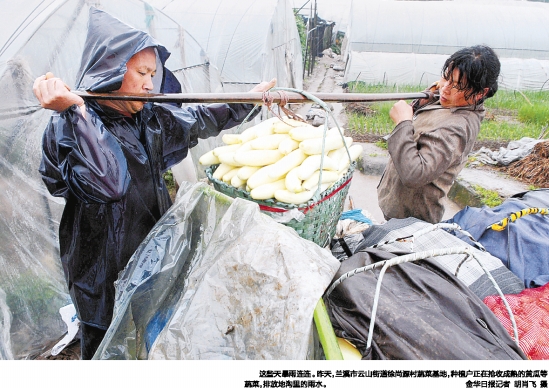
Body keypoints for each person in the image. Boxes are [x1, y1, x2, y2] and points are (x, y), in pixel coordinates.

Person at [33, 8, 275, 359]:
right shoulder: (69, 126)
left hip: (150, 250)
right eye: (142, 73)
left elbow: (201, 117)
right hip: (98, 268)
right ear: (110, 70)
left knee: (146, 328)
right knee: (104, 344)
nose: (150, 83)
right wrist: (76, 111)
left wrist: (250, 100)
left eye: (153, 73)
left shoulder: (148, 115)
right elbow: (108, 184)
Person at [377, 45, 501, 224]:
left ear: (480, 94)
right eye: (446, 77)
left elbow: (414, 174)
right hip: (398, 207)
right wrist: (422, 103)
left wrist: (403, 123)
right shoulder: (450, 101)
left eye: (457, 85)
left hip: (411, 219)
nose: (445, 88)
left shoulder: (457, 128)